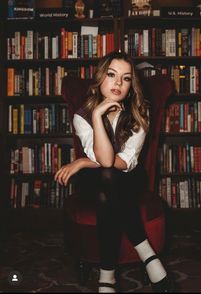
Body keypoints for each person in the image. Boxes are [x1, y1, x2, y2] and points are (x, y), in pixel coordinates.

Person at [54, 51, 172, 293]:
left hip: (131, 178)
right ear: (100, 79)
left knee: (109, 186)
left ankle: (106, 277)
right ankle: (147, 253)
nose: (118, 83)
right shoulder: (83, 117)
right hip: (97, 180)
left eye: (126, 78)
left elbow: (124, 161)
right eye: (112, 75)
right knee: (106, 180)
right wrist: (97, 116)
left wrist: (83, 162)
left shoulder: (140, 112)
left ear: (131, 85)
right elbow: (106, 161)